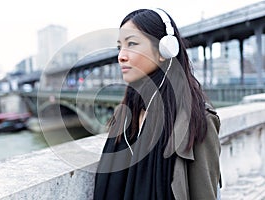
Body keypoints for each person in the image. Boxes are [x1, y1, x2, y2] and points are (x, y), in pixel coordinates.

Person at [93, 8, 221, 200]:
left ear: (165, 49)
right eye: (120, 47)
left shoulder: (196, 119)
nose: (121, 56)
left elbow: (205, 194)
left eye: (132, 44)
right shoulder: (125, 114)